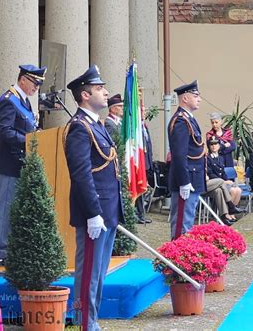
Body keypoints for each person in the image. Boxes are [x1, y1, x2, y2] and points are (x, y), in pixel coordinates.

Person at [63, 65, 124, 330]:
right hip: (95, 211)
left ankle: (91, 320)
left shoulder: (94, 125)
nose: (106, 93)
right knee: (88, 273)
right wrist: (92, 213)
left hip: (107, 210)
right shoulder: (79, 127)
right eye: (100, 89)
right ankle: (84, 323)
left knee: (98, 273)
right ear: (85, 95)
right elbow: (81, 174)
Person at [0, 64, 46, 262]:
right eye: (34, 83)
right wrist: (29, 139)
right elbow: (5, 132)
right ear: (23, 79)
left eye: (39, 85)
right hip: (10, 162)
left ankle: (13, 248)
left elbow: (28, 125)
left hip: (23, 162)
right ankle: (2, 252)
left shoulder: (24, 101)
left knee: (16, 206)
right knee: (6, 207)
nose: (36, 88)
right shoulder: (9, 100)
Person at [168, 80, 206, 239]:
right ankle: (176, 260)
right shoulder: (181, 121)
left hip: (194, 177)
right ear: (185, 98)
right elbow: (179, 155)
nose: (199, 99)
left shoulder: (189, 119)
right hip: (187, 180)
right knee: (182, 225)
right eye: (195, 95)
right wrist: (184, 182)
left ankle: (183, 259)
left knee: (188, 222)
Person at [205, 136, 244, 225]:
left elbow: (223, 172)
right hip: (214, 183)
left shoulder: (221, 158)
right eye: (211, 144)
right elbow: (210, 174)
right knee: (232, 190)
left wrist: (227, 180)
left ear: (219, 145)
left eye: (216, 144)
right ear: (209, 146)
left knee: (237, 190)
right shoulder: (207, 158)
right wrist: (224, 181)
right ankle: (230, 207)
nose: (214, 146)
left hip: (220, 184)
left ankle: (230, 213)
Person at [135, 104, 153, 224]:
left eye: (145, 110)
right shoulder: (136, 128)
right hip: (139, 163)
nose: (144, 112)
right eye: (142, 110)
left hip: (146, 162)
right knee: (139, 189)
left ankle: (141, 213)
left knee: (145, 189)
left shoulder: (144, 126)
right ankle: (140, 214)